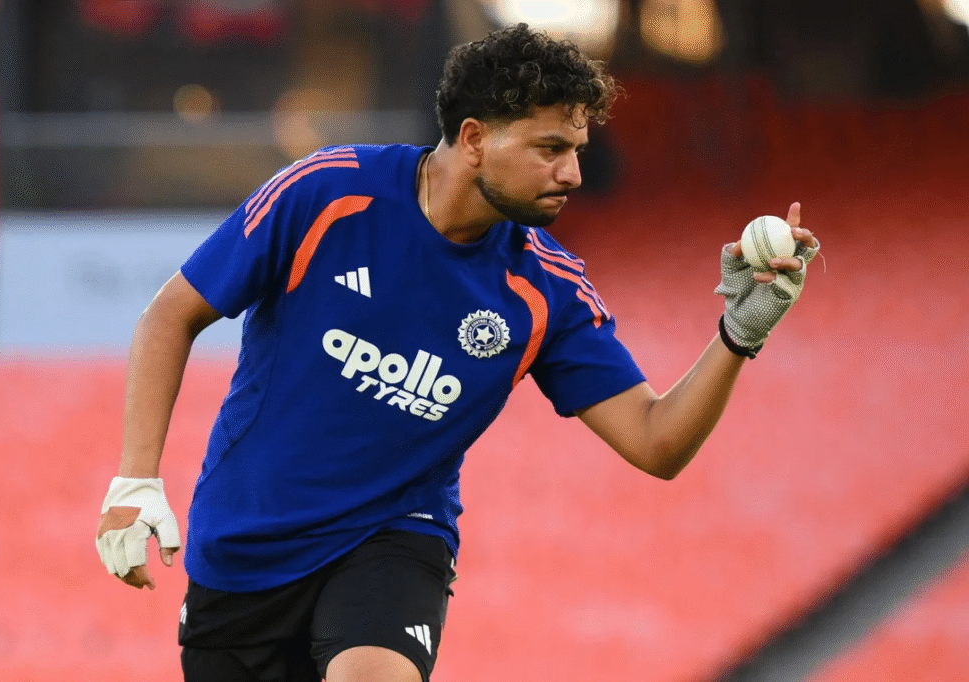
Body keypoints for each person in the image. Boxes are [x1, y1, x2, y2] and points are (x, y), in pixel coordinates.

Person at [95, 22, 819, 682]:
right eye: (551, 149)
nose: (573, 173)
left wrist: (738, 334)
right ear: (474, 138)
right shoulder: (328, 194)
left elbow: (656, 441)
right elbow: (170, 316)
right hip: (244, 546)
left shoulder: (548, 291)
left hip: (393, 538)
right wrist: (134, 482)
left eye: (576, 151)